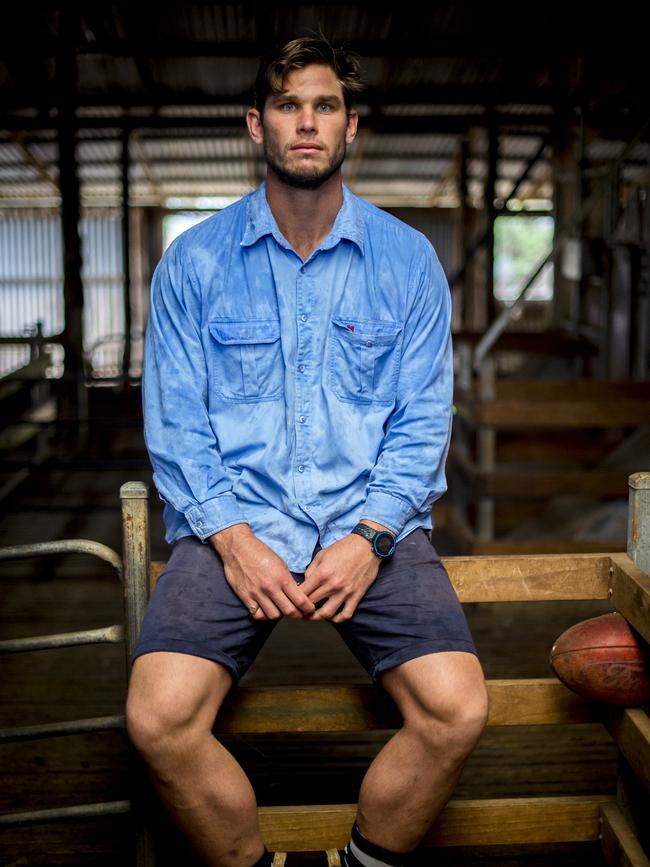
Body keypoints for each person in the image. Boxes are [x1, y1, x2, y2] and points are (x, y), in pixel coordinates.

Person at [126, 35, 488, 867]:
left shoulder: (407, 262)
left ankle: (362, 863)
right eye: (289, 105)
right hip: (231, 533)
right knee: (157, 718)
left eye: (325, 105)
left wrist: (368, 540)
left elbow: (423, 423)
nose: (307, 122)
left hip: (373, 527)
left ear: (351, 126)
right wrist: (229, 537)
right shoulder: (195, 263)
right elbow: (177, 424)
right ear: (257, 123)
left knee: (457, 709)